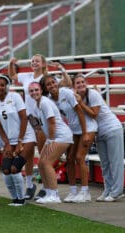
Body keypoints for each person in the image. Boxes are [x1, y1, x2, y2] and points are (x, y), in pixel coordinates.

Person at [8, 54, 71, 200]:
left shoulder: (45, 78)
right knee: (28, 152)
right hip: (28, 118)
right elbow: (12, 75)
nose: (34, 63)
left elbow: (65, 84)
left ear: (43, 64)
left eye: (37, 61)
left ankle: (45, 187)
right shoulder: (26, 76)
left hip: (42, 120)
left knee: (44, 154)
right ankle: (30, 185)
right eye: (32, 61)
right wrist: (11, 63)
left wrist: (62, 69)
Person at [41, 74, 95, 203]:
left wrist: (85, 133)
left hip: (87, 127)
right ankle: (72, 191)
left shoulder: (66, 92)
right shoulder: (48, 99)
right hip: (72, 130)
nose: (52, 85)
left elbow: (80, 111)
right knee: (69, 158)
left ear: (57, 82)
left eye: (53, 82)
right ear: (45, 87)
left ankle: (85, 191)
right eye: (48, 84)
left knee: (79, 157)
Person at [72, 74, 124, 202]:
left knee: (115, 162)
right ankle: (108, 190)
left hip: (112, 129)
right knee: (105, 163)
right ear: (74, 87)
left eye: (82, 82)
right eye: (78, 83)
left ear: (86, 83)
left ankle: (117, 192)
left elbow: (94, 114)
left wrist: (80, 103)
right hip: (99, 132)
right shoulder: (78, 98)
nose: (81, 85)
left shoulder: (93, 94)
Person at [0, 74, 36, 206]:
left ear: (7, 86)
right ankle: (15, 198)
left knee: (15, 168)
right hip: (10, 141)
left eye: (2, 84)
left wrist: (20, 141)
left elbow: (24, 118)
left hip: (26, 138)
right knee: (5, 170)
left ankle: (21, 199)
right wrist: (7, 144)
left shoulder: (15, 97)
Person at [28, 81, 73, 203]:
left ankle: (55, 195)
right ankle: (48, 193)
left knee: (47, 163)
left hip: (61, 136)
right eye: (31, 91)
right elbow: (39, 126)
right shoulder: (36, 106)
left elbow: (52, 122)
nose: (34, 92)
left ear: (41, 90)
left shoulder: (44, 102)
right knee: (41, 163)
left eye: (36, 90)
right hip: (54, 137)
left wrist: (51, 140)